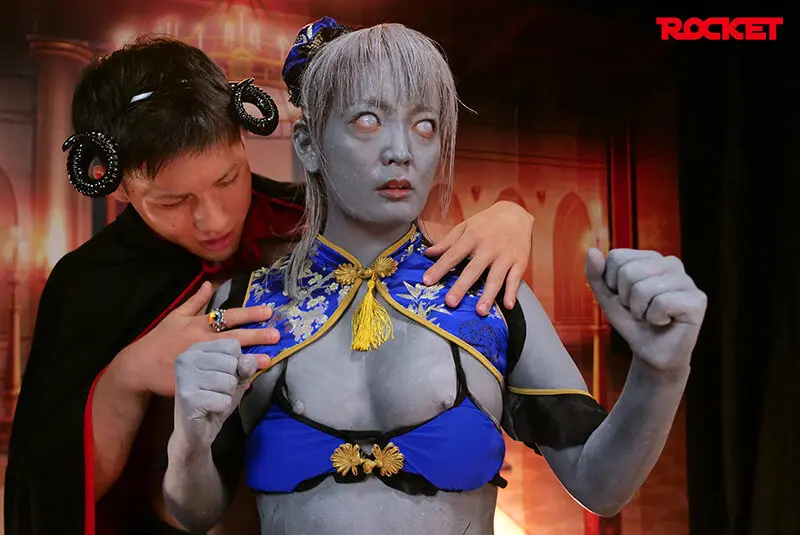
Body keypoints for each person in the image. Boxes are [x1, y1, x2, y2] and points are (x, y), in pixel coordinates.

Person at [163, 18, 707, 535]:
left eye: (425, 126)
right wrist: (189, 437)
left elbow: (599, 485)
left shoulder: (490, 294)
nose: (401, 152)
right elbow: (195, 514)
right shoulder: (246, 305)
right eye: (368, 121)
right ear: (308, 145)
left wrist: (660, 372)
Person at [3, 35, 535, 535]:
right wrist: (129, 373)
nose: (213, 220)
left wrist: (507, 218)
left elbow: (425, 250)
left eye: (228, 179)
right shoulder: (87, 286)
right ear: (116, 185)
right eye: (172, 201)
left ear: (242, 137)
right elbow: (49, 493)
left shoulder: (306, 217)